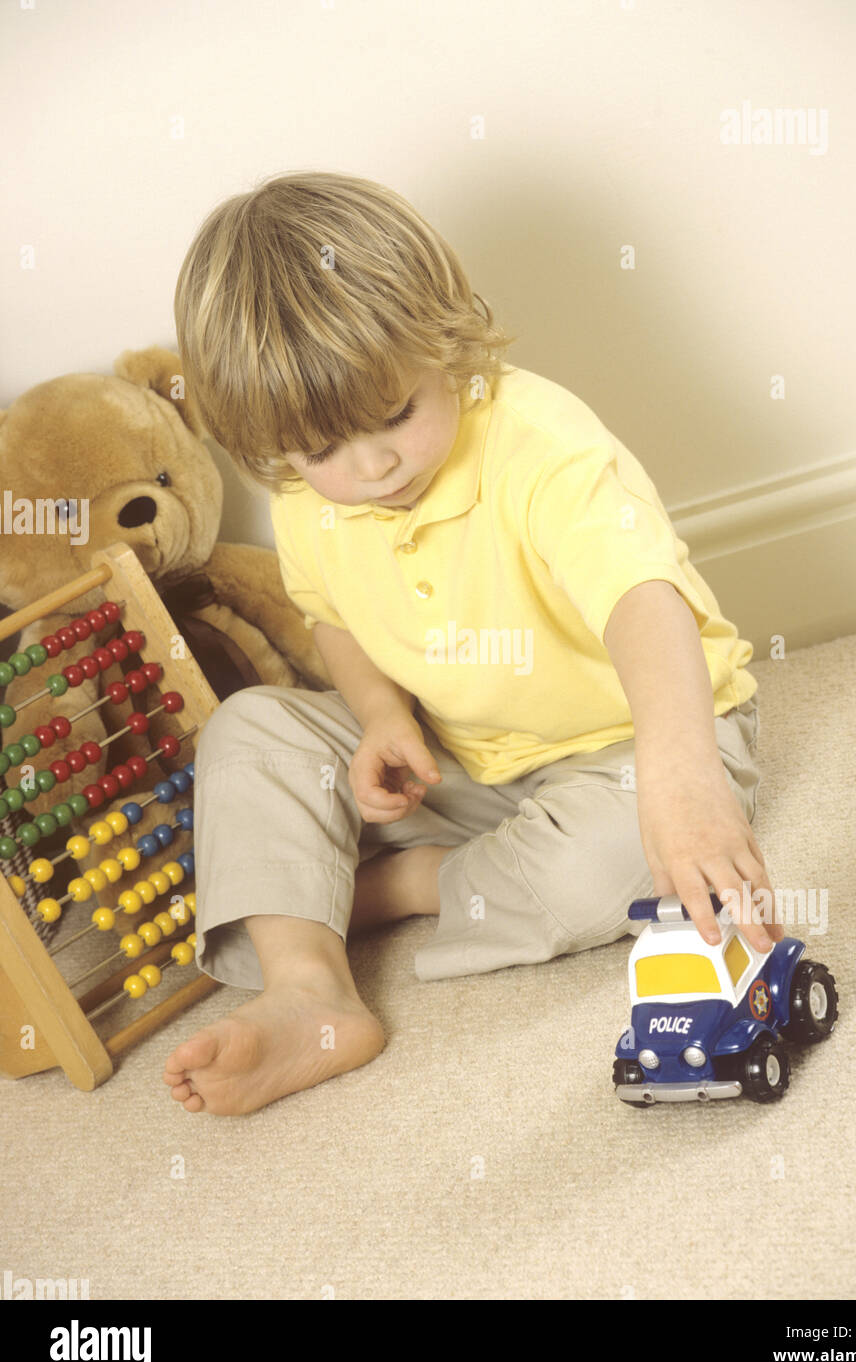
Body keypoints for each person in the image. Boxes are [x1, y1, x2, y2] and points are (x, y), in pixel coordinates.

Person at [163, 170, 778, 1115]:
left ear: (442, 340)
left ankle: (378, 891)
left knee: (602, 868)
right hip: (456, 756)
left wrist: (682, 777)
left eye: (396, 416)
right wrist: (379, 717)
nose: (371, 470)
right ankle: (311, 993)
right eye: (321, 453)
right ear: (275, 448)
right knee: (249, 731)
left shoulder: (538, 441)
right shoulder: (304, 502)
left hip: (631, 744)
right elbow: (333, 617)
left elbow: (638, 599)